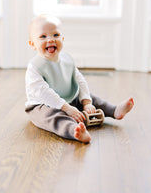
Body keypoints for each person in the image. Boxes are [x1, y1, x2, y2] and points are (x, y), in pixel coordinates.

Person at [25, 14, 134, 143]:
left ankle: (114, 110)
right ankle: (74, 130)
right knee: (52, 117)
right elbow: (44, 92)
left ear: (62, 38)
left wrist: (87, 103)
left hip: (69, 99)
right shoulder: (35, 67)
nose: (50, 40)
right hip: (42, 105)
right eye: (43, 36)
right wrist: (67, 108)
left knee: (92, 98)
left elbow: (79, 81)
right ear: (33, 44)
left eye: (55, 35)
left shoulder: (67, 60)